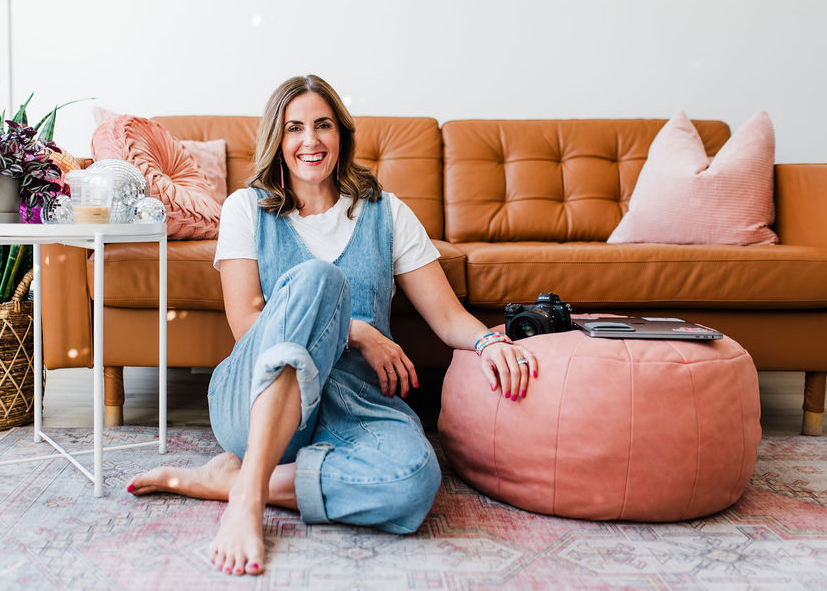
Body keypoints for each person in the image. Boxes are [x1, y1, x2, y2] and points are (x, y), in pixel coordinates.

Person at [127, 75, 538, 576]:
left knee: (413, 481)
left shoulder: (387, 214)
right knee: (321, 280)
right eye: (294, 128)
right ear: (277, 140)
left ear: (341, 134)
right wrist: (358, 331)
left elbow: (448, 316)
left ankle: (228, 482)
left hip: (354, 404)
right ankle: (249, 501)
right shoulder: (245, 210)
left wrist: (487, 341)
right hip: (254, 398)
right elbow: (247, 325)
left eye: (323, 125)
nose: (310, 140)